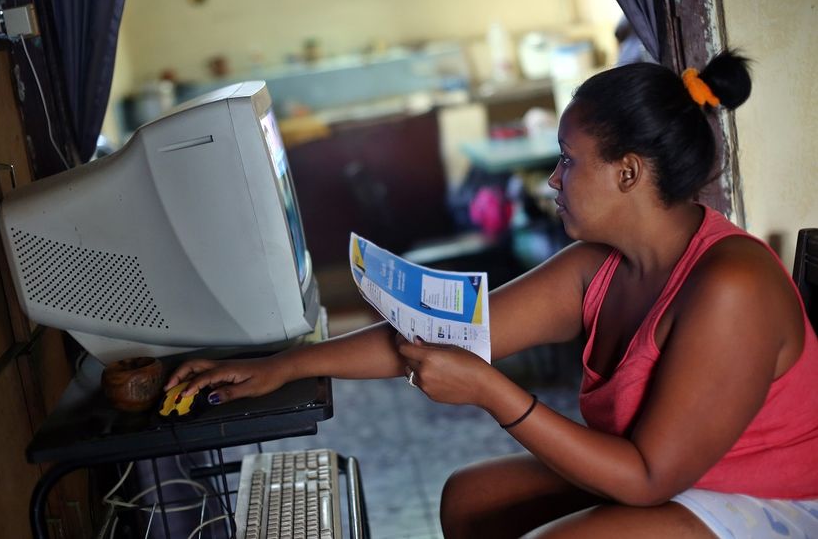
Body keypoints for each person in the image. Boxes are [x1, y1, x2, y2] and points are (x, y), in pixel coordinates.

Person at [165, 51, 818, 538]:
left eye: (567, 160)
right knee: (470, 501)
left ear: (627, 172)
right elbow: (447, 334)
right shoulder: (598, 268)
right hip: (676, 476)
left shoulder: (730, 285)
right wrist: (284, 364)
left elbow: (649, 478)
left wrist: (488, 390)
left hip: (763, 497)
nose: (552, 180)